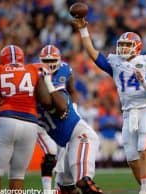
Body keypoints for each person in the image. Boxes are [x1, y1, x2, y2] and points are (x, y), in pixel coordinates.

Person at [72, 18, 146, 194]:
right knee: (132, 160)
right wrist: (83, 31)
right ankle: (145, 189)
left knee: (144, 150)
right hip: (128, 112)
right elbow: (92, 52)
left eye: (128, 45)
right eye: (122, 45)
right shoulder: (115, 62)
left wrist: (143, 82)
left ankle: (145, 188)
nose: (123, 48)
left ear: (137, 47)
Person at [0, 45, 52, 192]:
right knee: (18, 175)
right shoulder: (33, 70)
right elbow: (46, 101)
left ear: (1, 60)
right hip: (30, 124)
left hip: (7, 120)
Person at [38, 66, 103, 194]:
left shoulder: (59, 97)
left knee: (83, 182)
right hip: (67, 145)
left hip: (81, 137)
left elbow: (62, 105)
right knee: (66, 188)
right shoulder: (31, 109)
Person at [37, 44, 78, 192]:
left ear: (59, 60)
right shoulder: (34, 72)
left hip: (60, 118)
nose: (49, 64)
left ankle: (59, 186)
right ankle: (47, 189)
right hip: (41, 120)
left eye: (52, 60)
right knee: (51, 152)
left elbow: (72, 90)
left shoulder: (66, 69)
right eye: (45, 61)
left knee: (64, 150)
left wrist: (74, 109)